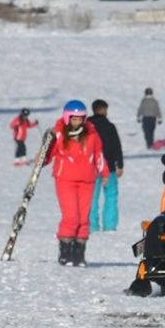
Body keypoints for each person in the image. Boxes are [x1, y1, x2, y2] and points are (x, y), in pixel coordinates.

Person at [47, 100, 109, 266]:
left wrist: (105, 173)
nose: (77, 122)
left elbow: (98, 155)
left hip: (87, 180)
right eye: (74, 119)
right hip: (65, 179)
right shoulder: (59, 134)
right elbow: (48, 155)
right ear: (67, 118)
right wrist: (43, 154)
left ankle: (79, 253)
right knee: (71, 216)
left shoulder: (92, 135)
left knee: (83, 218)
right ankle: (65, 250)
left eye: (80, 119)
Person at [89, 99, 125, 233]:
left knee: (92, 198)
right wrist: (119, 164)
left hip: (91, 167)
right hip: (109, 166)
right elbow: (117, 146)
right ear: (103, 110)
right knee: (111, 196)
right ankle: (110, 225)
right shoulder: (110, 126)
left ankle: (92, 226)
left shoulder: (87, 126)